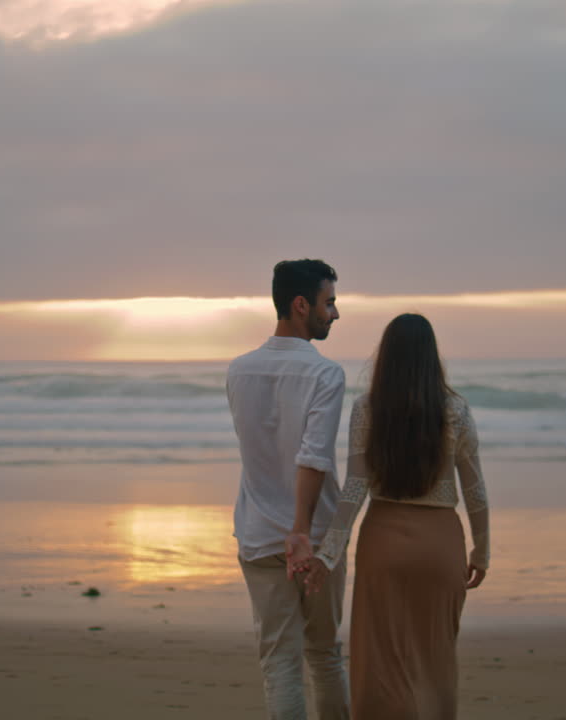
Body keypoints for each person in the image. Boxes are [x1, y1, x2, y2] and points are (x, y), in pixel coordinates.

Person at [303, 313, 489, 720]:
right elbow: (475, 491)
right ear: (431, 357)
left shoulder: (367, 408)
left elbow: (354, 487)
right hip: (441, 546)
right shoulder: (456, 409)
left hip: (383, 542)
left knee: (380, 662)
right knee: (435, 661)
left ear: (385, 356)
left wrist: (328, 553)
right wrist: (483, 552)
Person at [226, 258, 349, 720]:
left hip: (258, 533)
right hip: (314, 536)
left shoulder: (239, 370)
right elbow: (313, 456)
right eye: (329, 303)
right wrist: (300, 530)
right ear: (301, 305)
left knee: (279, 661)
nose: (334, 314)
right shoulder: (326, 374)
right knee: (323, 654)